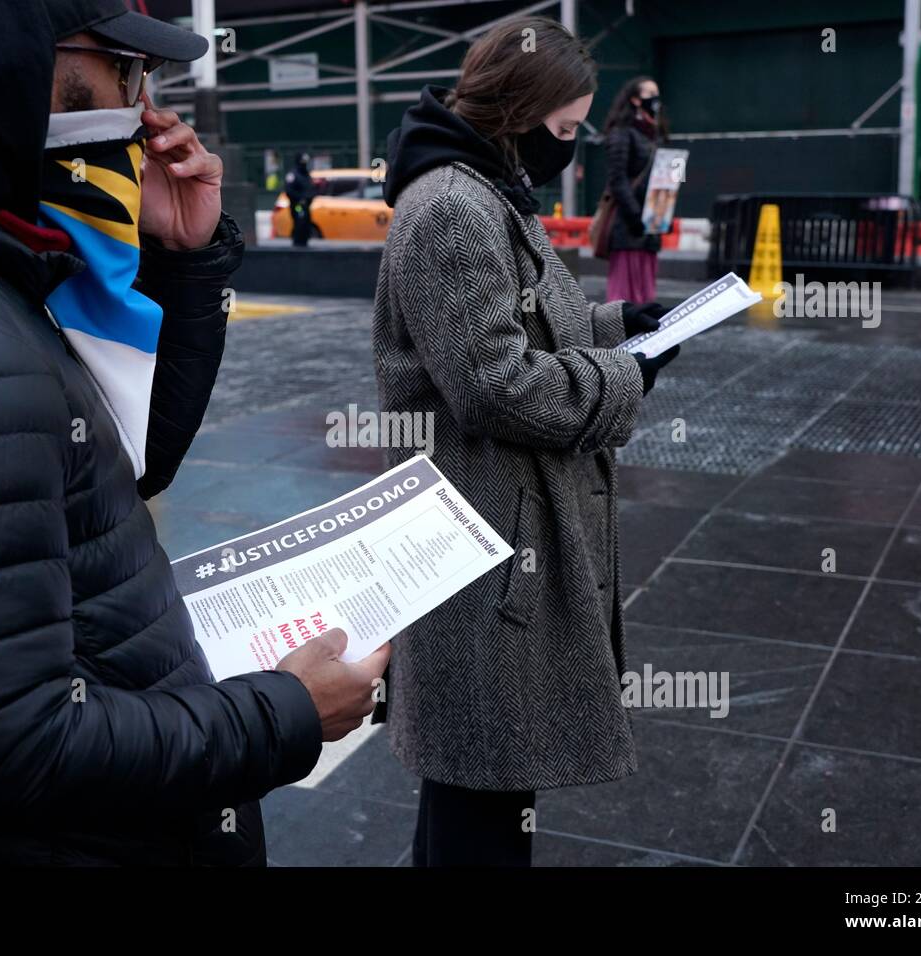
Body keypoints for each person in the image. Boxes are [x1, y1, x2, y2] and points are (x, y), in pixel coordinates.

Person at [0, 0, 386, 867]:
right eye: (124, 72)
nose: (143, 108)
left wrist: (184, 259)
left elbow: (118, 468)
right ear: (8, 70)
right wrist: (284, 710)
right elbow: (6, 751)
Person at [373, 16, 679, 867]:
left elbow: (536, 319)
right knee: (483, 786)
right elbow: (493, 384)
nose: (571, 149)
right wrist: (625, 377)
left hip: (498, 532)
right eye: (567, 130)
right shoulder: (452, 208)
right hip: (485, 542)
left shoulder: (483, 185)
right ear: (519, 108)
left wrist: (626, 326)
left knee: (478, 784)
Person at [602, 75, 666, 302]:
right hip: (628, 224)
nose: (656, 100)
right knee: (624, 293)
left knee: (646, 292)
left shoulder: (653, 134)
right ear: (635, 100)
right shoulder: (622, 132)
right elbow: (617, 179)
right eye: (650, 94)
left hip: (650, 224)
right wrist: (637, 216)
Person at [284, 152, 317, 247]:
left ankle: (304, 243)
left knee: (306, 223)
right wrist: (300, 199)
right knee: (300, 222)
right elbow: (289, 190)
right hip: (298, 205)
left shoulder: (306, 175)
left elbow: (311, 188)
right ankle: (297, 243)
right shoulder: (293, 175)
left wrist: (309, 197)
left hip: (306, 205)